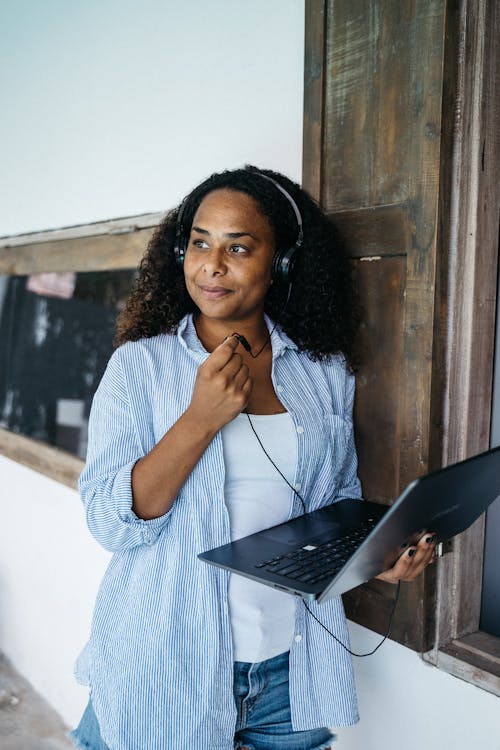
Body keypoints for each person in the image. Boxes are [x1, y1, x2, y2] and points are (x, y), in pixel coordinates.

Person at [70, 166, 436, 750]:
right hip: (166, 663)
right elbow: (109, 521)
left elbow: (336, 500)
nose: (212, 265)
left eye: (237, 247)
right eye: (199, 242)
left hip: (291, 671)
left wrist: (376, 560)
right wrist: (199, 419)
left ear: (282, 262)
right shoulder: (140, 366)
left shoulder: (321, 372)